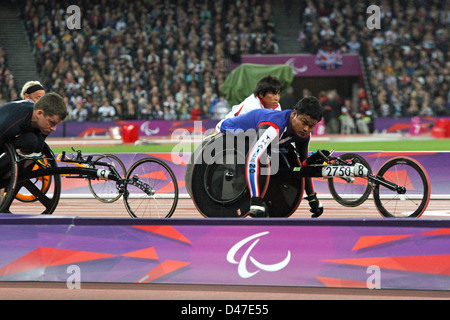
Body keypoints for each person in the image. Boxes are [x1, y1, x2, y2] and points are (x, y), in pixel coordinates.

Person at [220, 96, 326, 218]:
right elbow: (253, 157)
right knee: (263, 159)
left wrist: (312, 198)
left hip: (263, 138)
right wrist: (256, 201)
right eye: (304, 122)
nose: (306, 129)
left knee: (281, 156)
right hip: (231, 130)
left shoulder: (303, 135)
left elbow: (304, 166)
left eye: (311, 126)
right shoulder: (274, 126)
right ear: (294, 114)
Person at [0, 92, 67, 158]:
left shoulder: (43, 124)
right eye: (52, 123)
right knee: (31, 141)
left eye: (56, 124)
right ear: (39, 113)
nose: (54, 129)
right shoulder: (16, 118)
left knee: (39, 144)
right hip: (3, 126)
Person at [215, 75, 282, 132]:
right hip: (223, 133)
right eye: (273, 94)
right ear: (261, 94)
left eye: (278, 94)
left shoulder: (276, 106)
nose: (277, 98)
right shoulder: (251, 108)